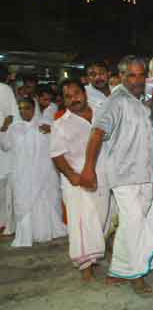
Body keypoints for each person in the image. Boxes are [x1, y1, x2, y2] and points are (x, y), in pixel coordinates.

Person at [79, 55, 153, 295]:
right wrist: (88, 168)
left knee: (130, 225)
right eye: (131, 75)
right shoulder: (116, 101)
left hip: (145, 173)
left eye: (140, 74)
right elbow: (97, 134)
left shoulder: (145, 101)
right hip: (123, 175)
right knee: (134, 224)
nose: (137, 80)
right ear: (122, 76)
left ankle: (118, 271)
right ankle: (137, 276)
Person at [50, 79, 108, 281]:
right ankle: (86, 268)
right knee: (81, 224)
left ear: (84, 93)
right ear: (63, 100)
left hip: (104, 176)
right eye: (68, 96)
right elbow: (57, 155)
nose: (74, 99)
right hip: (76, 181)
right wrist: (75, 177)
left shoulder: (102, 112)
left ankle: (95, 257)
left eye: (76, 93)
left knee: (100, 220)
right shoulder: (60, 124)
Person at [0, 97, 66, 247]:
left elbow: (57, 143)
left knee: (44, 199)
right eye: (21, 108)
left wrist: (51, 131)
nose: (24, 111)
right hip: (22, 173)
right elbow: (5, 146)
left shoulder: (44, 126)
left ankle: (48, 230)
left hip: (44, 172)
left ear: (34, 109)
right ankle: (27, 233)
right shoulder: (15, 128)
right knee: (25, 202)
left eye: (27, 108)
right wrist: (4, 129)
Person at [0, 65, 18, 235]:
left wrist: (3, 130)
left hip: (3, 143)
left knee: (4, 185)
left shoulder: (4, 89)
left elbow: (10, 116)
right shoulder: (5, 89)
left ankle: (4, 222)